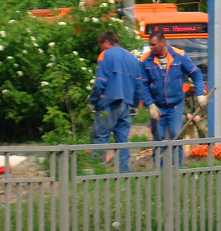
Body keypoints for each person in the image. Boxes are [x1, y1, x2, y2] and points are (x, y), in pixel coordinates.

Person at [140, 31, 207, 166]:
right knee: (158, 137)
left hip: (175, 105)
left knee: (176, 135)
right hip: (157, 106)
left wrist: (200, 94)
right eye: (150, 45)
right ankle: (159, 170)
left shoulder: (179, 55)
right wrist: (150, 104)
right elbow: (141, 84)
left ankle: (177, 169)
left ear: (162, 42)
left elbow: (196, 74)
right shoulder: (145, 60)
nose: (151, 48)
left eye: (153, 45)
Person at [89, 31, 144, 172]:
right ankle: (124, 173)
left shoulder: (106, 55)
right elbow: (139, 85)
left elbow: (100, 82)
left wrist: (93, 100)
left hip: (109, 102)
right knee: (122, 139)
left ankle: (98, 171)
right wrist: (135, 104)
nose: (101, 50)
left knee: (100, 136)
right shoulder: (132, 58)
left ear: (106, 42)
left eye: (101, 46)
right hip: (126, 104)